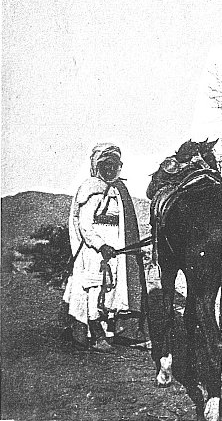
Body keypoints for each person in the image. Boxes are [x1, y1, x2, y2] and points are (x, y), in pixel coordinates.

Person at [62, 143, 148, 352]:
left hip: (116, 249)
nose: (110, 170)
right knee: (95, 289)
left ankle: (110, 333)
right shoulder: (90, 189)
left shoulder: (118, 190)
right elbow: (85, 225)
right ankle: (95, 336)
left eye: (114, 165)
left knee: (111, 290)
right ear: (97, 166)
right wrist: (101, 246)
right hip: (95, 251)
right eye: (106, 165)